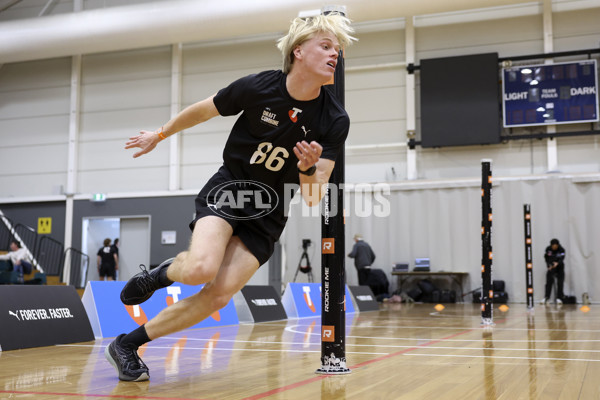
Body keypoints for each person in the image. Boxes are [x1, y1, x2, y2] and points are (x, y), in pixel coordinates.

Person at [105, 13, 356, 382]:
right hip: (231, 189)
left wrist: (306, 168)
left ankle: (126, 345)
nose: (336, 54)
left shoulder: (334, 119)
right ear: (298, 51)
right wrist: (159, 135)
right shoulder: (259, 87)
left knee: (218, 296)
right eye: (326, 45)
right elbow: (203, 110)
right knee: (200, 269)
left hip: (270, 211)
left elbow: (315, 196)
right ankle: (162, 274)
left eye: (338, 49)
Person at [541, 238, 566, 305]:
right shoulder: (548, 249)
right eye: (553, 246)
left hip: (560, 267)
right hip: (551, 267)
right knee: (548, 282)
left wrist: (557, 263)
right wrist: (549, 265)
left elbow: (562, 258)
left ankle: (559, 298)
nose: (554, 247)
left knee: (560, 283)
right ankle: (547, 297)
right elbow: (546, 258)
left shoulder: (561, 249)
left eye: (555, 246)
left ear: (558, 245)